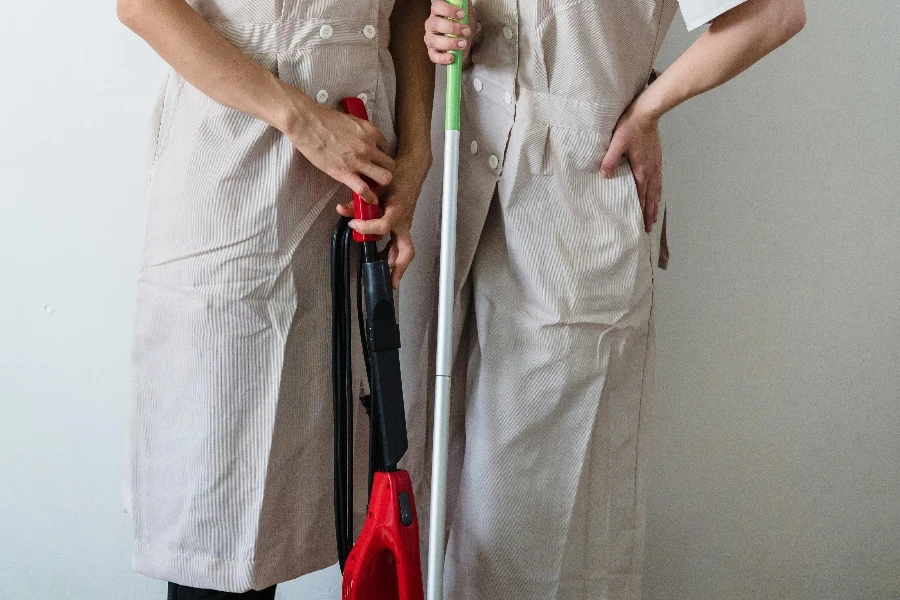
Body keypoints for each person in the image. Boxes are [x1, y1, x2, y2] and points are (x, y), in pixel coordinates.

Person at [415, 0, 806, 597]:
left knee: (534, 527)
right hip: (457, 191)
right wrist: (445, 30)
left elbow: (776, 13)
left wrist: (647, 110)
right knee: (436, 501)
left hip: (572, 213)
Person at [117, 0, 433, 596]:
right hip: (238, 172)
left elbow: (411, 6)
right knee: (221, 513)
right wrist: (304, 120)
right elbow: (141, 6)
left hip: (359, 181)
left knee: (340, 500)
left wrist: (416, 158)